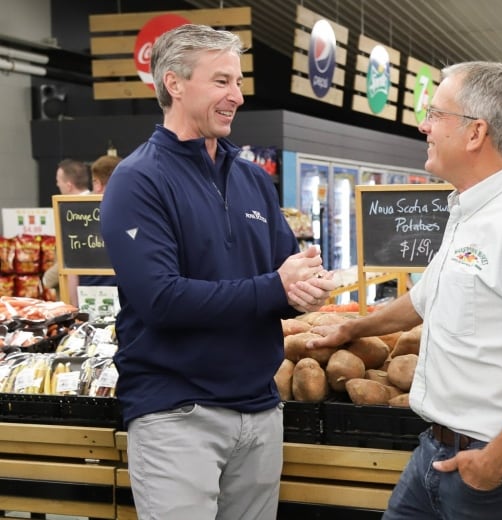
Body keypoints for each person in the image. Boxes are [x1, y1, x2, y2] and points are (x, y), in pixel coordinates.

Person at [307, 61, 502, 520]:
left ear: (474, 133)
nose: (424, 126)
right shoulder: (467, 214)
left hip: (501, 470)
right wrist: (352, 329)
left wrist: (493, 462)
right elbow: (424, 300)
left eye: (435, 114)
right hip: (436, 452)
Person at [100, 24, 337, 520]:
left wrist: (307, 288)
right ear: (174, 83)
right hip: (177, 415)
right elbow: (160, 300)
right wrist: (276, 286)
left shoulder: (251, 178)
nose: (237, 96)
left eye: (238, 82)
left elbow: (288, 272)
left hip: (260, 409)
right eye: (222, 81)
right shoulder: (138, 180)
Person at [67, 153, 123, 307]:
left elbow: (72, 272)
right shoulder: (132, 211)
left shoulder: (75, 215)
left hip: (88, 303)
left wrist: (74, 310)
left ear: (97, 183)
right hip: (125, 302)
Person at [42, 158, 90, 295]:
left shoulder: (73, 212)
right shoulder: (96, 206)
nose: (57, 184)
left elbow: (72, 256)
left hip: (78, 296)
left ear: (69, 185)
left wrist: (47, 278)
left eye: (59, 181)